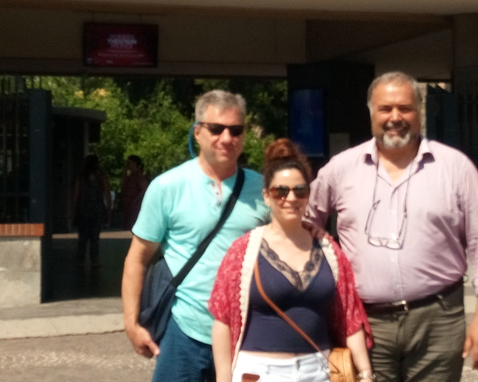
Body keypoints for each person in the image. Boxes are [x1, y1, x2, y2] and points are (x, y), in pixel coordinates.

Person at [306, 71, 478, 382]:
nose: (395, 117)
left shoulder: (456, 168)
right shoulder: (341, 169)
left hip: (438, 320)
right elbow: (301, 223)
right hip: (365, 323)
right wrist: (320, 246)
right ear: (371, 113)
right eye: (385, 109)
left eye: (405, 108)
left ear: (419, 112)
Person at [122, 90, 269, 382]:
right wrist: (131, 324)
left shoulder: (264, 190)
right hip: (186, 331)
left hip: (247, 333)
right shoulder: (167, 187)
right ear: (198, 132)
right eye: (216, 129)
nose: (227, 138)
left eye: (235, 130)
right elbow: (137, 258)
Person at [209, 139, 374, 382]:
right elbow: (222, 321)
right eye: (280, 191)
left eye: (300, 190)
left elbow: (350, 316)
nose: (291, 198)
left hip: (318, 371)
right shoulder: (243, 251)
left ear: (308, 195)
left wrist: (365, 373)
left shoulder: (329, 250)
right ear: (266, 196)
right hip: (259, 372)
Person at [72, 154, 112, 268]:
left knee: (82, 236)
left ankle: (80, 260)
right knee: (95, 236)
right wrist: (109, 207)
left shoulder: (81, 176)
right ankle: (94, 260)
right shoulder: (101, 176)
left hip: (83, 208)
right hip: (97, 208)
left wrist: (74, 208)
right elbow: (107, 192)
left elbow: (76, 193)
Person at [121, 155, 148, 230]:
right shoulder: (131, 175)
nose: (127, 165)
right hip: (128, 204)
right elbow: (123, 184)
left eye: (129, 163)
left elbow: (144, 188)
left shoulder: (139, 175)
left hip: (135, 206)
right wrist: (125, 171)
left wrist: (135, 200)